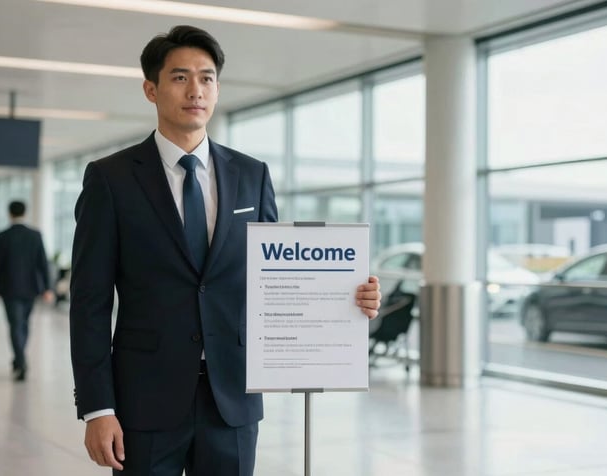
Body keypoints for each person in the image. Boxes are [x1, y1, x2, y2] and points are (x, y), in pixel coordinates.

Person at [69, 25, 382, 476]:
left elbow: (275, 278)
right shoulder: (112, 179)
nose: (195, 89)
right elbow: (89, 302)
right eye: (180, 77)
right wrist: (98, 409)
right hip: (144, 401)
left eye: (207, 77)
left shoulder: (251, 175)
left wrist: (347, 298)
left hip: (232, 399)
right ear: (150, 90)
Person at [0, 201, 54, 381]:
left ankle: (20, 359)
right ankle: (20, 358)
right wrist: (47, 288)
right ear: (25, 213)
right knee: (23, 324)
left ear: (9, 214)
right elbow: (43, 263)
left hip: (9, 288)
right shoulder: (35, 235)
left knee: (16, 325)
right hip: (31, 288)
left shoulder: (3, 236)